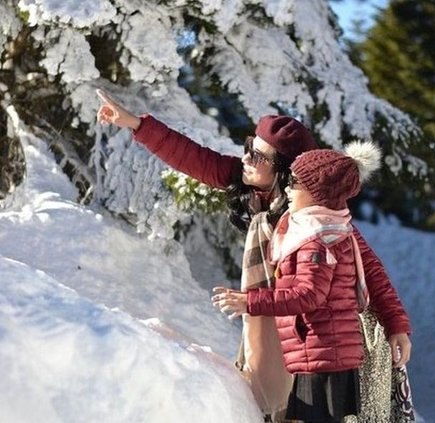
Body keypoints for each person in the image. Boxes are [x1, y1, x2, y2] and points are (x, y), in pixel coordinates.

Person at [96, 90, 413, 420]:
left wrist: (396, 325)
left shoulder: (319, 218)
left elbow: (370, 269)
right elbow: (194, 158)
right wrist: (134, 123)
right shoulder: (254, 187)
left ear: (286, 172)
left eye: (258, 157)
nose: (246, 158)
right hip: (277, 323)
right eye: (249, 148)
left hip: (315, 333)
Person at [212, 142, 384, 422]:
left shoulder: (316, 239)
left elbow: (307, 295)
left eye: (294, 183)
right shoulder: (324, 228)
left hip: (322, 359)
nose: (287, 188)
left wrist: (250, 301)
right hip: (322, 355)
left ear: (318, 193)